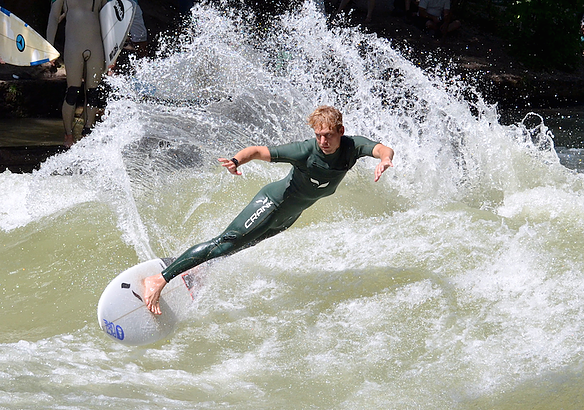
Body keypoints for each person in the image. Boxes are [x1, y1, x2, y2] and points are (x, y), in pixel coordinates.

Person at [144, 106, 395, 315]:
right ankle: (160, 279)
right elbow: (256, 151)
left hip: (288, 216)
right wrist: (235, 161)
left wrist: (385, 160)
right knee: (226, 242)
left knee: (239, 246)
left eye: (328, 135)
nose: (323, 141)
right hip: (272, 203)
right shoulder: (306, 151)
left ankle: (199, 271)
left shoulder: (352, 148)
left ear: (341, 131)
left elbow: (382, 149)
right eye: (318, 135)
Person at [47, 0, 108, 148]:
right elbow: (54, 17)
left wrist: (112, 53)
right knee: (73, 91)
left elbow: (109, 18)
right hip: (74, 46)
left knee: (93, 92)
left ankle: (87, 133)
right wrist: (48, 48)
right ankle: (68, 134)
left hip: (96, 46)